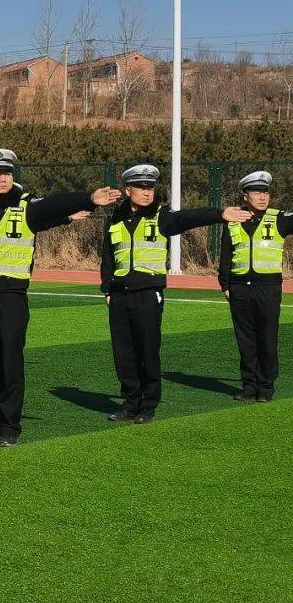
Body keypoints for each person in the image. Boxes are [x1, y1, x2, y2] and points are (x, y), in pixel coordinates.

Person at [0, 149, 122, 447]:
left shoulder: (26, 206)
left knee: (9, 362)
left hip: (10, 297)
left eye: (7, 172)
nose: (4, 177)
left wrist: (88, 198)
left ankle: (8, 426)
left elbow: (52, 205)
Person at [101, 164, 250, 424]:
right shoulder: (115, 218)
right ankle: (130, 403)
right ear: (128, 190)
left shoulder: (162, 215)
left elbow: (187, 218)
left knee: (147, 351)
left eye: (150, 187)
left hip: (148, 294)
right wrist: (107, 288)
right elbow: (108, 258)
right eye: (141, 188)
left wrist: (219, 214)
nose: (147, 193)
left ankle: (147, 407)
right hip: (120, 295)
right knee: (123, 354)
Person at [218, 171, 292, 403]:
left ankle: (266, 387)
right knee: (245, 340)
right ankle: (248, 386)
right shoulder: (234, 220)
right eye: (257, 192)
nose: (262, 196)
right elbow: (226, 255)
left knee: (267, 339)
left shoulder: (278, 218)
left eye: (265, 192)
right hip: (239, 289)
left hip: (267, 289)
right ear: (245, 195)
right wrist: (225, 285)